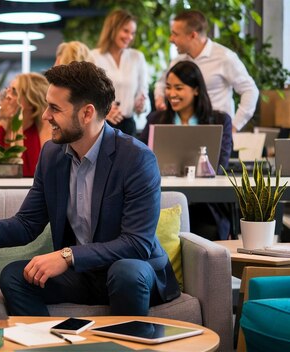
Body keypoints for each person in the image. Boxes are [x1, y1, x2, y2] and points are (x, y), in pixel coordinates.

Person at [0, 61, 180, 316]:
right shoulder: (52, 155)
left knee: (125, 272)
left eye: (54, 108)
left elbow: (136, 243)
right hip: (83, 275)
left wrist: (67, 256)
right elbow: (28, 223)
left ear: (86, 113)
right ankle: (45, 343)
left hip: (133, 273)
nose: (45, 116)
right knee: (15, 276)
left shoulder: (136, 159)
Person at [141, 61, 233, 240]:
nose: (171, 94)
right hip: (162, 200)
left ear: (196, 90)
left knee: (207, 232)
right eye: (168, 87)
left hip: (205, 205)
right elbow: (141, 159)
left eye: (179, 88)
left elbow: (220, 164)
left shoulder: (220, 121)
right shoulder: (155, 119)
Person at [154, 10, 259, 132]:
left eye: (175, 34)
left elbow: (250, 90)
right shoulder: (178, 61)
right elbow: (161, 84)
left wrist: (234, 127)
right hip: (183, 130)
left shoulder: (224, 57)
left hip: (216, 130)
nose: (171, 39)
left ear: (193, 35)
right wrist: (160, 99)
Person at [0, 73, 49, 177]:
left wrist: (16, 124)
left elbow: (34, 174)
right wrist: (3, 121)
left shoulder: (43, 129)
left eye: (14, 92)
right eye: (8, 90)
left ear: (31, 102)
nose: (7, 96)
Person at [90, 9, 148, 136]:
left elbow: (143, 93)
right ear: (112, 29)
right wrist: (104, 110)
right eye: (125, 31)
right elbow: (89, 94)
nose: (130, 37)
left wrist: (141, 105)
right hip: (101, 125)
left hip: (128, 126)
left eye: (132, 33)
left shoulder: (137, 57)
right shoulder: (94, 57)